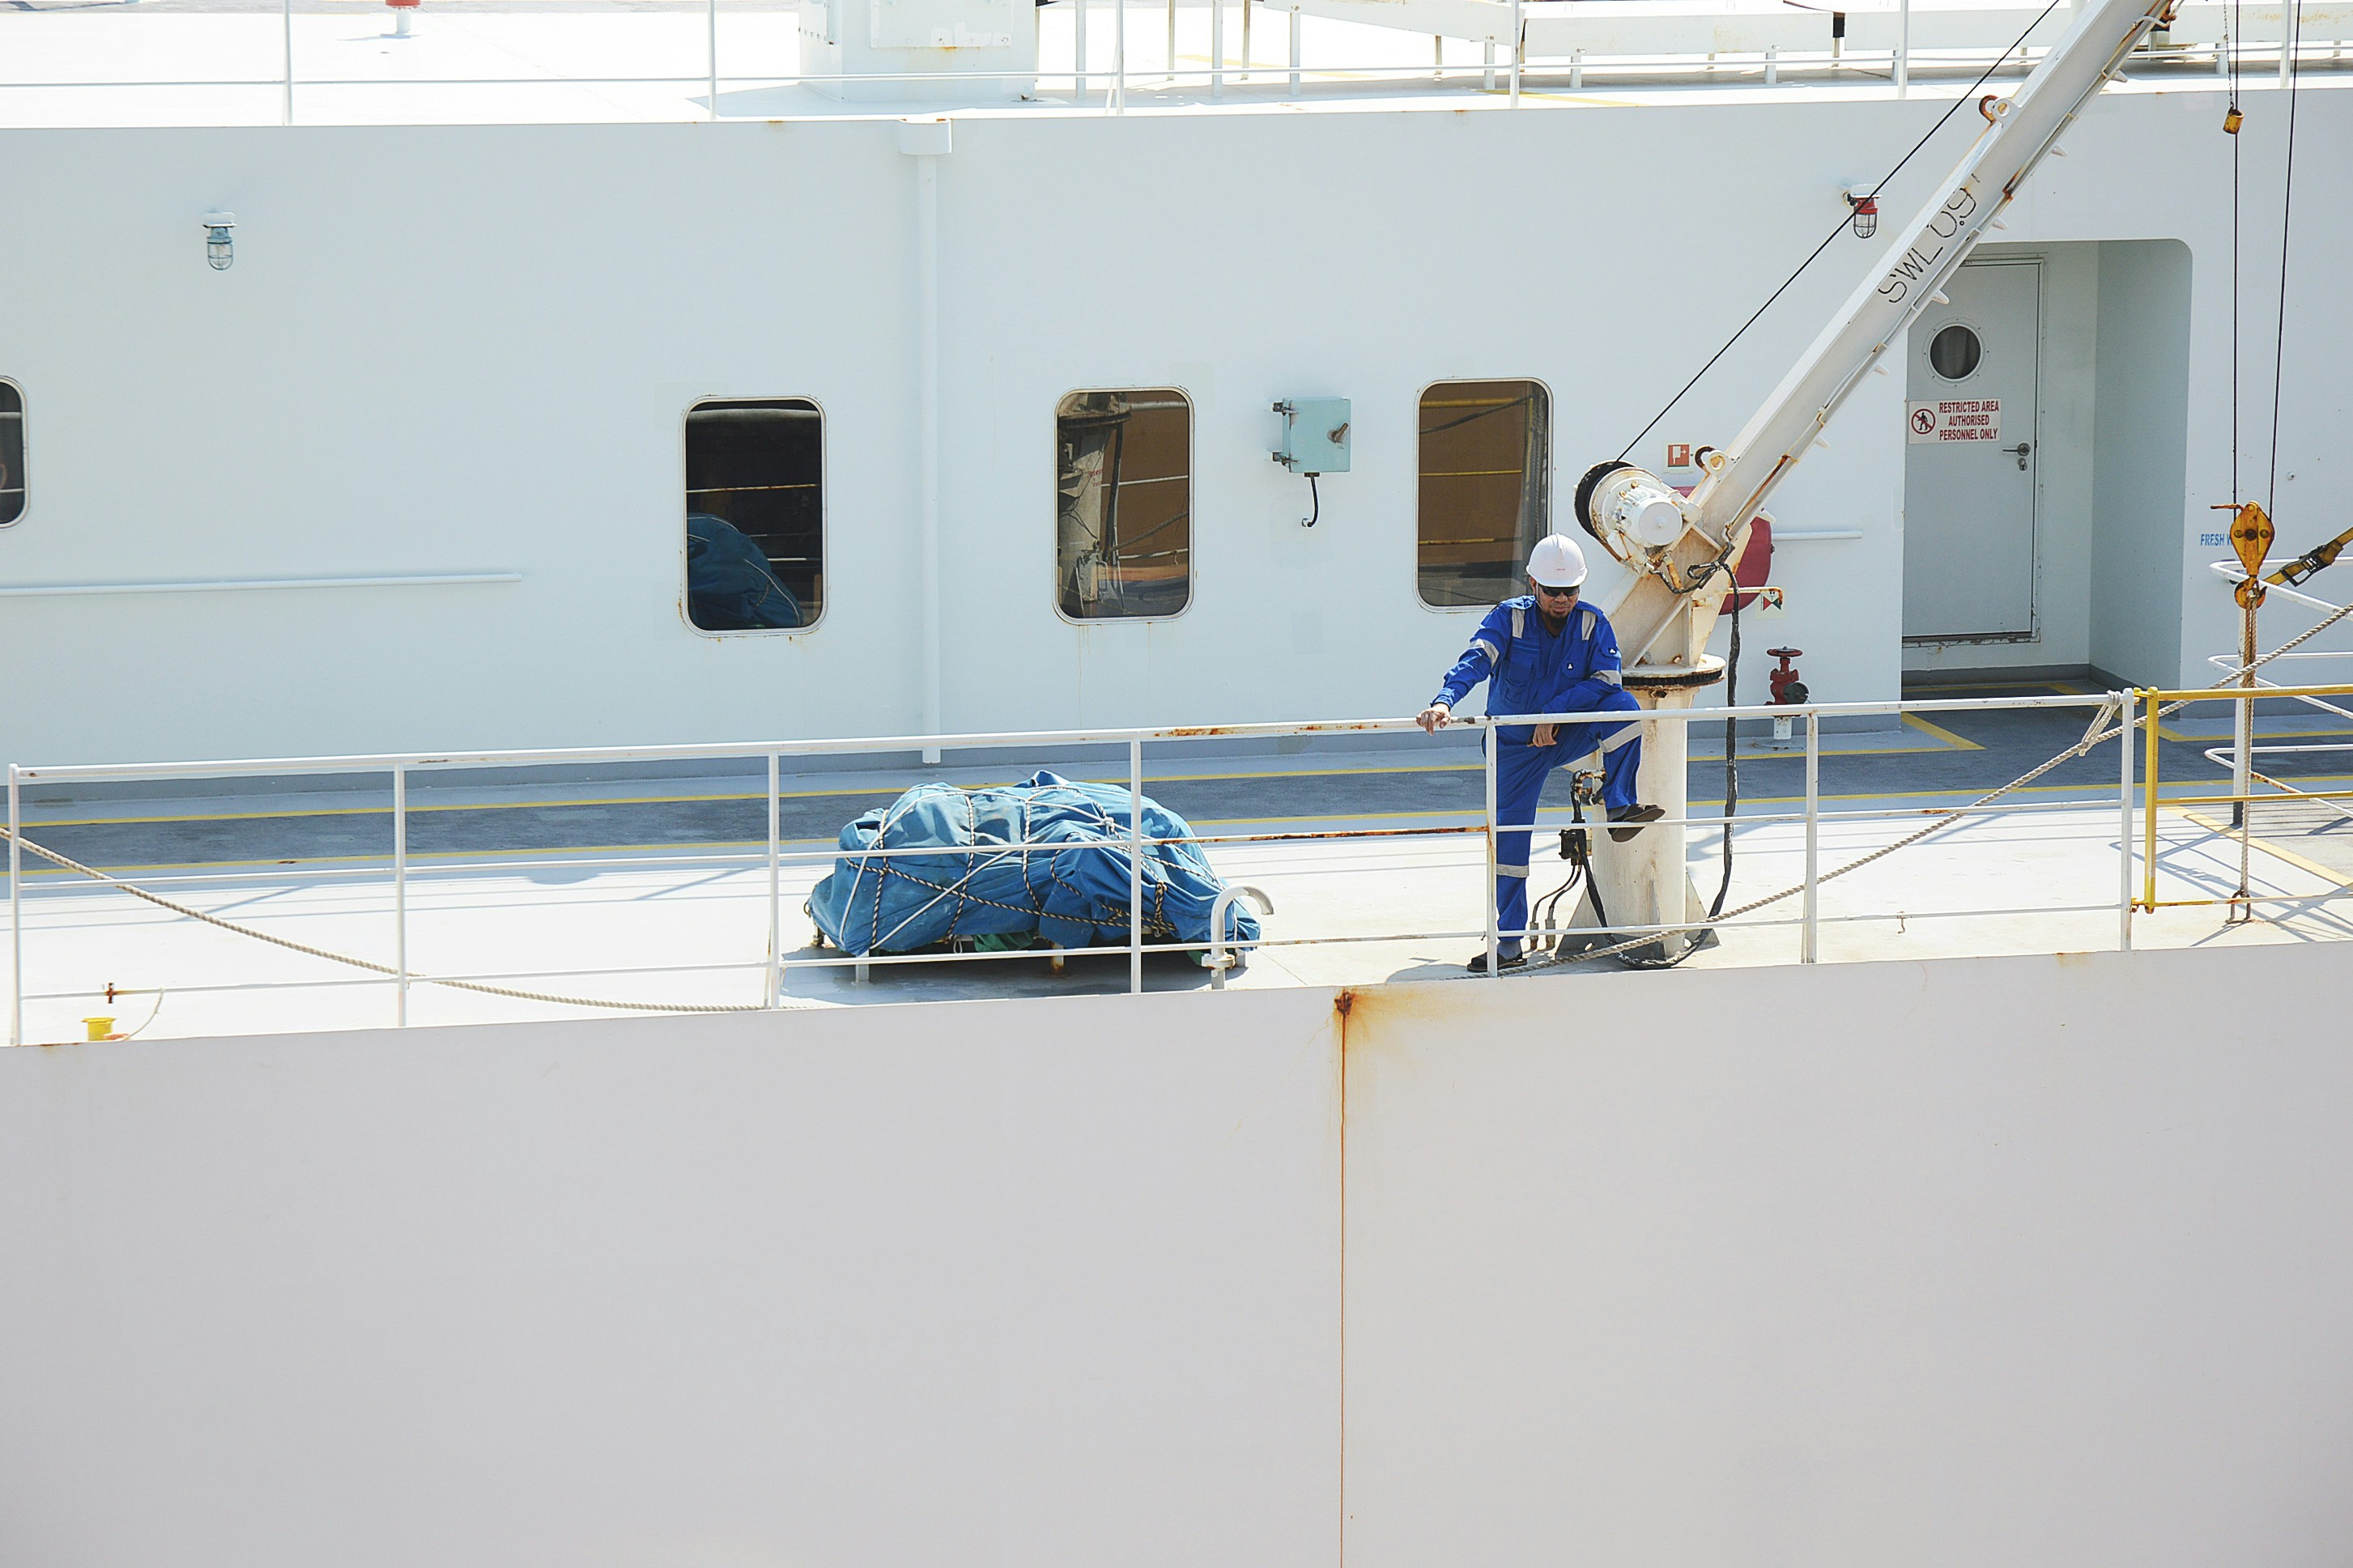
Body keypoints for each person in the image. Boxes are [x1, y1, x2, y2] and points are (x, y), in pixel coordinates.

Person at [1418, 534, 1660, 971]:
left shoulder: (1592, 623)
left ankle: (1619, 806)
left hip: (1563, 732)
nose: (1563, 599)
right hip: (1513, 746)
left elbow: (1608, 681)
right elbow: (1475, 660)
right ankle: (1509, 944)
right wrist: (1444, 701)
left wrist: (1556, 711)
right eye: (1553, 591)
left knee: (1625, 709)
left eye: (1571, 591)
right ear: (1533, 585)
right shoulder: (1507, 619)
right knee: (1510, 844)